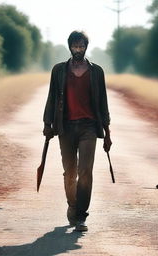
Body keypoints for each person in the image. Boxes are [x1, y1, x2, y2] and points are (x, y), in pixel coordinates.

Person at [43, 31, 112, 232]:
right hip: (65, 128)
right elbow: (52, 98)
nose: (78, 50)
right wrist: (48, 124)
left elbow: (103, 103)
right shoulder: (59, 70)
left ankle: (81, 215)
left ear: (86, 47)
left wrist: (107, 133)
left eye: (81, 46)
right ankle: (73, 206)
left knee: (85, 172)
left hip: (89, 127)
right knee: (69, 173)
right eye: (75, 46)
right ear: (70, 47)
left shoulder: (96, 72)